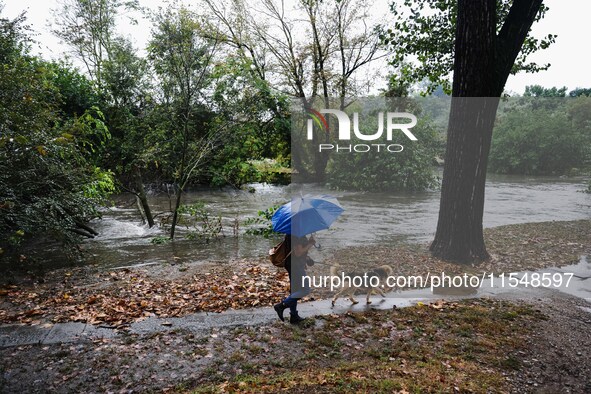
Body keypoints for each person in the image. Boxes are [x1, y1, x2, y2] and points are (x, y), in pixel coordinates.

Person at [273, 234, 316, 324]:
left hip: (292, 264)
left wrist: (306, 258)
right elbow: (298, 252)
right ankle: (281, 305)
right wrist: (310, 244)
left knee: (295, 291)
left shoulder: (291, 231)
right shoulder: (297, 234)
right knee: (305, 290)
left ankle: (294, 316)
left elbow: (294, 251)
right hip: (295, 266)